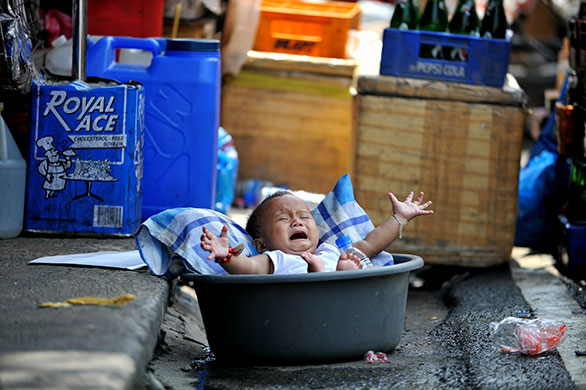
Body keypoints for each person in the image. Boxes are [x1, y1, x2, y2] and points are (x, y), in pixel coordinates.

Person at [200, 190, 433, 274]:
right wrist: (226, 256)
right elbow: (247, 268)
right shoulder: (275, 260)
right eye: (283, 218)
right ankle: (325, 278)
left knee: (356, 261)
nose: (297, 222)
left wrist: (400, 217)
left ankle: (336, 278)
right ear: (261, 245)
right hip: (305, 312)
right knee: (347, 270)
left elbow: (372, 243)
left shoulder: (332, 252)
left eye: (304, 216)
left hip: (345, 308)